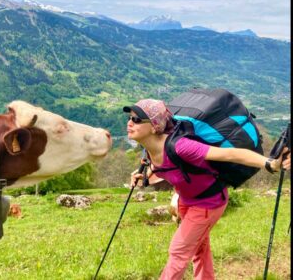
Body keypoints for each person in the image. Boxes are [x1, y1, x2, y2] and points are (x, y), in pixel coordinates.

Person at [124, 99, 291, 280]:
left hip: (208, 203)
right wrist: (143, 178)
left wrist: (269, 164)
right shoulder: (149, 150)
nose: (130, 123)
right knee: (199, 248)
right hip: (186, 201)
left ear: (155, 126)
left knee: (179, 250)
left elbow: (231, 154)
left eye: (137, 119)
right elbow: (161, 167)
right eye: (130, 118)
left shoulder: (181, 146)